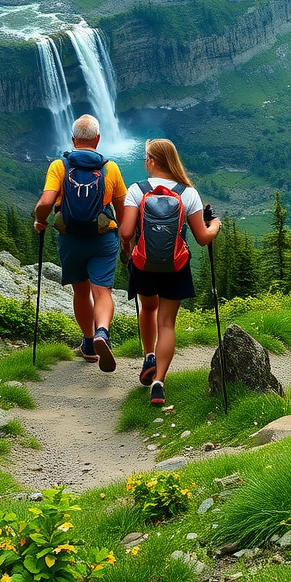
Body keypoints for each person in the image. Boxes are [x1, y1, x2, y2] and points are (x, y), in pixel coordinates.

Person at [120, 138, 221, 407]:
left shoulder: (136, 190)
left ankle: (149, 356)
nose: (145, 162)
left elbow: (127, 232)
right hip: (175, 265)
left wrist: (127, 248)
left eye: (146, 158)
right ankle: (159, 383)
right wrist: (216, 225)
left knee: (148, 308)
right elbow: (202, 237)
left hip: (143, 264)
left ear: (153, 162)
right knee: (167, 323)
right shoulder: (188, 193)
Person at [34, 114, 127, 373]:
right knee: (103, 291)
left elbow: (44, 203)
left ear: (73, 139)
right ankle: (102, 332)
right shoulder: (112, 169)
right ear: (97, 139)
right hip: (103, 239)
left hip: (71, 239)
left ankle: (88, 343)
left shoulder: (59, 166)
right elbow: (122, 210)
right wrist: (128, 243)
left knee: (81, 291)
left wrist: (40, 222)